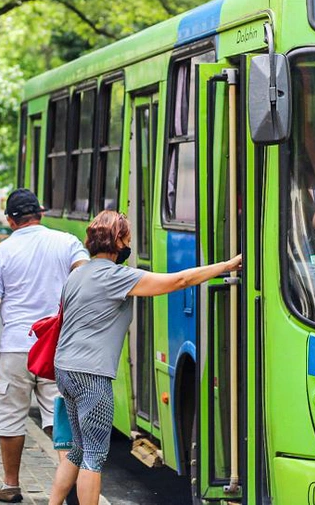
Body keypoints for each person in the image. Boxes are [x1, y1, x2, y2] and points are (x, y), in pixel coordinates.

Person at [48, 211, 240, 505]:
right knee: (94, 455)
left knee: (77, 448)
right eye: (127, 239)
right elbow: (180, 280)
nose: (129, 245)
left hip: (65, 369)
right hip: (91, 374)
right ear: (119, 241)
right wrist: (227, 266)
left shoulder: (78, 273)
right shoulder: (115, 277)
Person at [0, 188, 89, 503]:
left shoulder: (0, 252)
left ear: (10, 220)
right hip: (57, 344)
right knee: (61, 417)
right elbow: (85, 274)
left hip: (15, 347)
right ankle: (68, 486)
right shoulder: (66, 242)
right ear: (40, 211)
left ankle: (11, 485)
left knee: (10, 414)